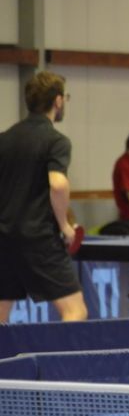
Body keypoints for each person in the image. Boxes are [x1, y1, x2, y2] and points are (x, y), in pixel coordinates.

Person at [0, 71, 88, 322]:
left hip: (3, 238)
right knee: (75, 311)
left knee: (0, 316)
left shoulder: (4, 140)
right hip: (39, 239)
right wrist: (65, 226)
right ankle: (63, 353)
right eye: (65, 98)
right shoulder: (56, 141)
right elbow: (57, 185)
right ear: (58, 101)